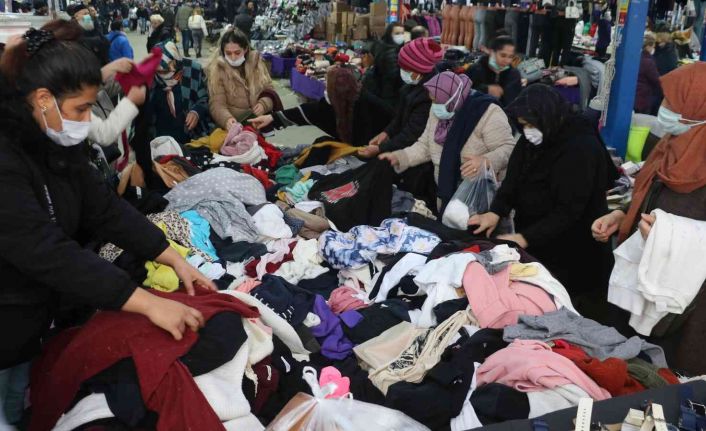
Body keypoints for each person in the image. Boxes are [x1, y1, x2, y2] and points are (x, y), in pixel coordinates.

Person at [0, 21, 215, 426]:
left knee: (19, 397)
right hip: (7, 312)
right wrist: (147, 303)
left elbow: (105, 209)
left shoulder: (54, 144)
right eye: (80, 109)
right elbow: (48, 251)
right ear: (43, 99)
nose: (87, 120)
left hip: (29, 319)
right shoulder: (8, 160)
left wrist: (172, 257)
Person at [591, 64, 706, 373]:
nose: (662, 107)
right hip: (641, 279)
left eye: (671, 100)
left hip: (684, 306)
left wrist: (668, 235)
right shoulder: (669, 144)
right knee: (626, 365)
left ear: (695, 106)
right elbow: (649, 191)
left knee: (663, 376)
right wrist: (622, 215)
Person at [470, 84, 615, 316]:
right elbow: (513, 180)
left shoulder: (581, 147)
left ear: (547, 117)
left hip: (576, 250)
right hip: (540, 241)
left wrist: (524, 238)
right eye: (523, 126)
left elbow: (569, 210)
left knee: (569, 309)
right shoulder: (535, 139)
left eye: (530, 125)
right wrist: (495, 211)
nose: (527, 131)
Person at [378, 71, 515, 210]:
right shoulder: (440, 109)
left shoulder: (486, 112)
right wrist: (399, 157)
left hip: (477, 196)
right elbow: (425, 145)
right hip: (447, 192)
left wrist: (485, 161)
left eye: (436, 101)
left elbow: (508, 148)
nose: (433, 105)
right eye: (432, 100)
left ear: (451, 98)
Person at [249, 65, 387, 147]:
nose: (325, 89)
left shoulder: (370, 103)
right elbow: (304, 112)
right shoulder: (327, 106)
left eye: (328, 86)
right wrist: (271, 118)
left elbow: (392, 126)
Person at [359, 37, 443, 158]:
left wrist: (380, 148)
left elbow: (412, 134)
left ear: (417, 69)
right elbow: (400, 117)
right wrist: (387, 133)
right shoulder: (412, 84)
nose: (402, 71)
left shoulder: (430, 96)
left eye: (405, 68)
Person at [206, 28, 274, 130]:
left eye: (237, 53)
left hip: (259, 124)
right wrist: (227, 119)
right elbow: (217, 103)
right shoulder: (217, 70)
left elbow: (269, 90)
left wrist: (264, 104)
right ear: (223, 52)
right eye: (228, 53)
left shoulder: (257, 65)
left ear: (245, 49)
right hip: (234, 127)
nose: (233, 57)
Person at [146, 41, 210, 143]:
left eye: (167, 70)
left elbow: (204, 98)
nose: (164, 75)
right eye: (159, 71)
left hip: (190, 137)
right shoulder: (149, 78)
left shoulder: (193, 70)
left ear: (177, 61)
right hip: (159, 139)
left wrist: (196, 112)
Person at [362, 23, 406, 119]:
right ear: (390, 34)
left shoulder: (383, 46)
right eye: (397, 33)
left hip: (380, 94)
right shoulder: (391, 53)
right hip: (389, 97)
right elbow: (393, 78)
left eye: (402, 33)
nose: (400, 36)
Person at [466, 35, 522, 106]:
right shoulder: (475, 70)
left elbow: (513, 103)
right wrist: (485, 90)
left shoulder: (514, 75)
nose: (507, 61)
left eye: (510, 57)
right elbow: (462, 95)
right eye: (503, 55)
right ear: (492, 52)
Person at [634, 33, 661, 115]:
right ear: (648, 46)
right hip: (643, 98)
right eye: (653, 46)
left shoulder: (636, 57)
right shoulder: (648, 62)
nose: (653, 49)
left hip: (634, 96)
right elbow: (656, 80)